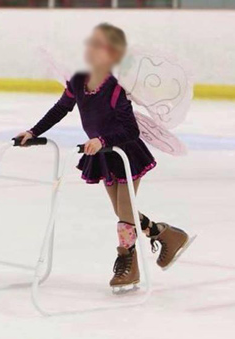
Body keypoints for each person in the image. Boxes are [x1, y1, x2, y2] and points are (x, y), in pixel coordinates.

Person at [16, 23, 193, 290]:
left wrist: (102, 140)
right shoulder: (78, 80)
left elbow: (131, 130)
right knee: (123, 211)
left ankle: (128, 264)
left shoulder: (115, 88)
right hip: (103, 154)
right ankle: (165, 235)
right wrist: (33, 131)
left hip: (124, 152)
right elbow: (61, 108)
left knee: (125, 212)